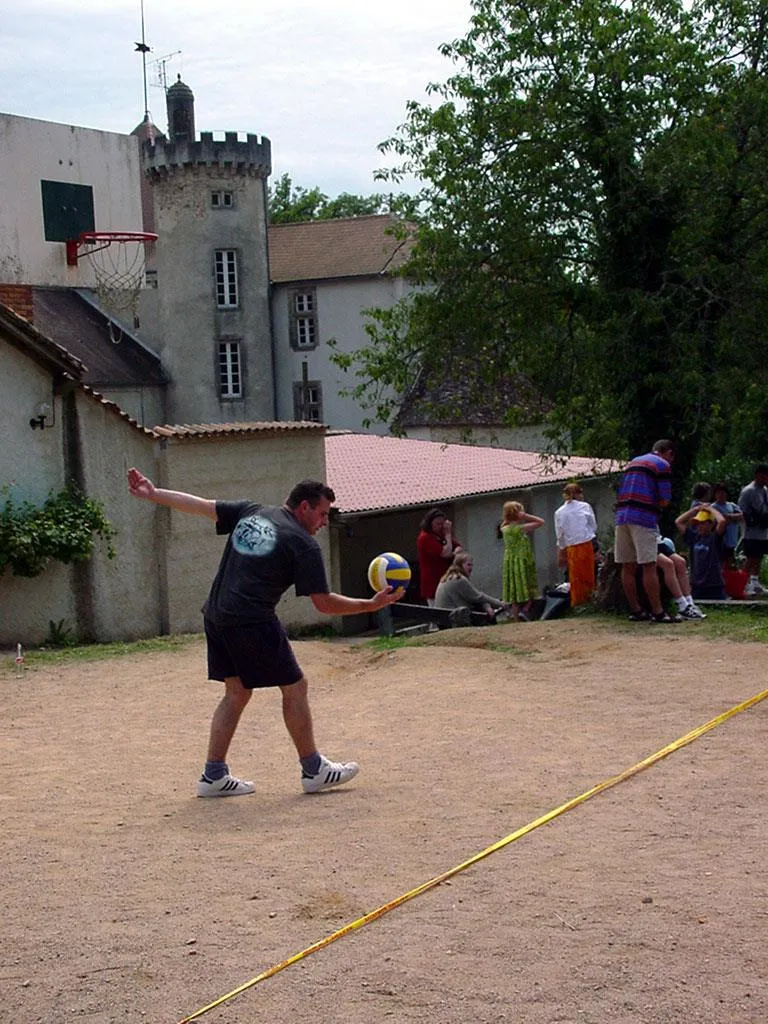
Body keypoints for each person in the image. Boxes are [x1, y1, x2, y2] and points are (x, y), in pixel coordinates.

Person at [126, 467, 402, 798]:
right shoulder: (302, 544)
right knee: (295, 687)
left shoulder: (252, 511)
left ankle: (213, 775)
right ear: (304, 507)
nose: (324, 522)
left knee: (237, 693)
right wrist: (369, 606)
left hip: (216, 614)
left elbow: (199, 505)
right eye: (322, 514)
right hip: (251, 619)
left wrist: (154, 494)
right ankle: (313, 770)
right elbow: (324, 604)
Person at [614, 439, 677, 623]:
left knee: (627, 565)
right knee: (648, 564)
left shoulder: (633, 462)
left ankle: (636, 609)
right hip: (643, 517)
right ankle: (658, 611)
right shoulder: (662, 465)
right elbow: (665, 500)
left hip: (622, 515)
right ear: (668, 453)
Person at [554, 482, 598, 607]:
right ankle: (589, 597)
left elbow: (560, 533)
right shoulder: (585, 507)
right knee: (588, 572)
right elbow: (593, 525)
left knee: (575, 574)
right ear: (579, 494)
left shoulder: (559, 512)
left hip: (571, 546)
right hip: (585, 542)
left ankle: (578, 600)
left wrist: (562, 548)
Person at [499, 500, 544, 621]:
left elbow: (504, 524)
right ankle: (526, 609)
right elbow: (540, 522)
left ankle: (515, 617)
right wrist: (526, 516)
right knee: (528, 585)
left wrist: (509, 517)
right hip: (522, 561)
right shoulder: (519, 529)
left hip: (511, 562)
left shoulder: (505, 529)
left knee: (515, 589)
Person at [434, 551, 510, 621]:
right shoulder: (459, 579)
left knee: (482, 608)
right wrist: (501, 604)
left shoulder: (449, 577)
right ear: (460, 564)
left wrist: (487, 606)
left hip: (444, 618)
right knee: (484, 615)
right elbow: (478, 597)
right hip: (453, 619)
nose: (471, 568)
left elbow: (475, 598)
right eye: (468, 565)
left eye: (472, 565)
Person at [675, 504, 727, 601]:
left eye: (703, 523)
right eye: (698, 523)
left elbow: (722, 522)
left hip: (714, 584)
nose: (699, 526)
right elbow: (678, 522)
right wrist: (695, 509)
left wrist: (710, 509)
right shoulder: (694, 537)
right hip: (696, 584)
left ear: (711, 524)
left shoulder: (714, 538)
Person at [417, 508, 461, 605]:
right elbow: (446, 553)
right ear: (430, 523)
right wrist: (448, 534)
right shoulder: (425, 537)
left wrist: (455, 550)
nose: (441, 527)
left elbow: (457, 547)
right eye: (438, 524)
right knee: (437, 612)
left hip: (445, 579)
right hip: (433, 583)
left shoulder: (440, 535)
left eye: (442, 524)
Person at [656, 537, 706, 619]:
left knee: (681, 562)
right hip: (644, 538)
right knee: (668, 564)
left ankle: (689, 603)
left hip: (656, 539)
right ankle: (682, 605)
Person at [738, 464, 768, 596]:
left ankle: (755, 582)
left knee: (759, 556)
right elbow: (741, 510)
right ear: (758, 475)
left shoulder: (765, 490)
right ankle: (742, 584)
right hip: (750, 531)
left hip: (762, 530)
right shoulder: (748, 491)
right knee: (750, 557)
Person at [710, 482, 744, 569]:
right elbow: (718, 521)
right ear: (715, 494)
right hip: (720, 540)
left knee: (730, 563)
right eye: (719, 492)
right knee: (720, 562)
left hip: (732, 540)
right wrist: (731, 518)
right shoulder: (712, 507)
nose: (721, 495)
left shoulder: (732, 505)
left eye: (723, 492)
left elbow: (742, 516)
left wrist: (728, 516)